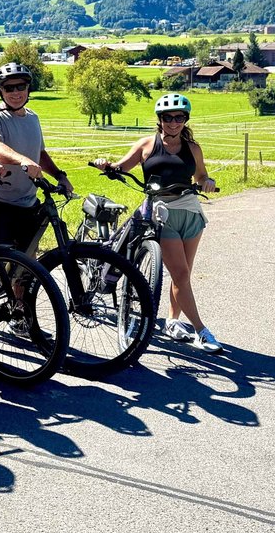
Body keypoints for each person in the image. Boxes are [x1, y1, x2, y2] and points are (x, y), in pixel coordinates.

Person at [92, 93, 222, 354]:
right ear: (160, 119)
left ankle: (172, 322)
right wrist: (106, 165)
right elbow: (121, 167)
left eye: (179, 117)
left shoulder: (193, 148)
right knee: (181, 274)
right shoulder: (147, 145)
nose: (173, 122)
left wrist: (207, 182)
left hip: (190, 212)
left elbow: (201, 175)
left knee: (183, 274)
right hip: (161, 212)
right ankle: (201, 330)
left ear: (185, 119)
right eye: (167, 117)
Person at [0, 62, 73, 255]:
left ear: (28, 88)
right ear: (1, 91)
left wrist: (60, 176)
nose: (15, 92)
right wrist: (23, 160)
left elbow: (40, 153)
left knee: (27, 262)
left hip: (28, 202)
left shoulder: (32, 118)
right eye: (8, 88)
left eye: (20, 86)